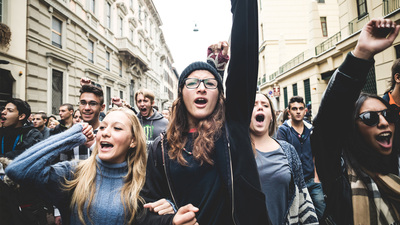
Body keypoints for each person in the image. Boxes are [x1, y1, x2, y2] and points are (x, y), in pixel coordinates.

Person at [141, 0, 271, 224]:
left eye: (210, 84)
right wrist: (170, 221)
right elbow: (143, 210)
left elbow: (244, 59)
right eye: (192, 83)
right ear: (181, 94)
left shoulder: (233, 129)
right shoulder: (160, 149)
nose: (201, 87)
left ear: (219, 96)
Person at [5, 107, 179, 225]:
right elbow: (17, 170)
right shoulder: (74, 172)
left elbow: (161, 212)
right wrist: (70, 137)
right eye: (102, 127)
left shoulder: (145, 179)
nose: (105, 132)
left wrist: (168, 209)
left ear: (133, 141)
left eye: (117, 128)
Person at [311, 18, 400, 224]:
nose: (384, 123)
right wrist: (362, 54)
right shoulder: (339, 175)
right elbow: (327, 122)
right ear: (352, 129)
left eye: (388, 115)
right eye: (369, 118)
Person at [250, 93, 318, 225]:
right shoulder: (235, 152)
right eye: (253, 105)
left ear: (271, 116)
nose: (260, 108)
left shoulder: (288, 150)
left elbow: (303, 198)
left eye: (265, 105)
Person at [276, 96, 326, 219]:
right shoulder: (284, 130)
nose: (298, 111)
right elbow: (282, 156)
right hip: (294, 183)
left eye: (300, 108)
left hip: (312, 180)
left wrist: (316, 178)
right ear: (289, 112)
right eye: (294, 108)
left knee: (321, 212)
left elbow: (315, 154)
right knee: (298, 216)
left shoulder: (311, 129)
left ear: (305, 111)